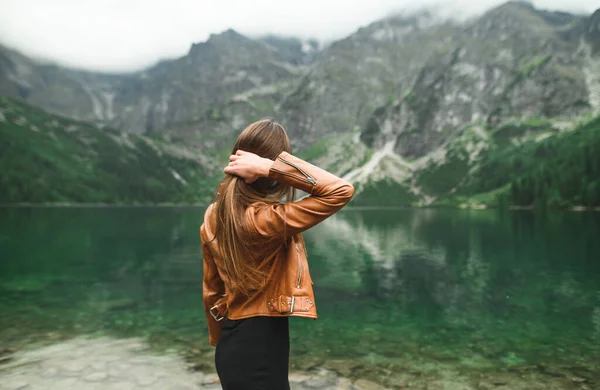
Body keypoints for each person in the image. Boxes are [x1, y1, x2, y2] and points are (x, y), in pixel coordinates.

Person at [200, 119, 354, 389]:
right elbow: (340, 191)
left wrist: (219, 339)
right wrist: (269, 167)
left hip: (231, 345)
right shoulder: (265, 220)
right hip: (261, 347)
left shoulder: (213, 215)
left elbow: (212, 290)